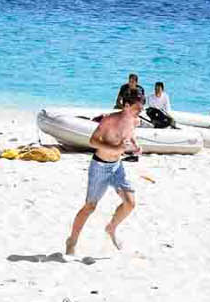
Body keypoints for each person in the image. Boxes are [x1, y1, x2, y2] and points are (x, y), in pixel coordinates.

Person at [65, 85, 153, 254]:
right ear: (126, 106)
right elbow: (92, 141)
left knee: (130, 203)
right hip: (99, 166)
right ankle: (72, 241)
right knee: (90, 207)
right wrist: (116, 148)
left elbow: (130, 135)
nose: (139, 113)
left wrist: (136, 146)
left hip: (117, 167)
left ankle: (111, 228)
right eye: (137, 109)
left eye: (141, 109)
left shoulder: (135, 120)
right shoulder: (109, 121)